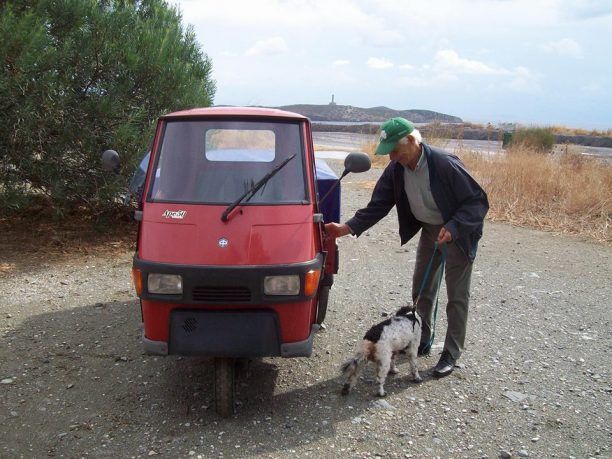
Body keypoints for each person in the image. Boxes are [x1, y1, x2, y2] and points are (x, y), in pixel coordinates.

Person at [325, 117, 489, 378]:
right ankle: (421, 340)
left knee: (457, 296)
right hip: (430, 229)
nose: (391, 156)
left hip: (458, 231)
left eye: (394, 150)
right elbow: (379, 204)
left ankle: (450, 353)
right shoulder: (396, 168)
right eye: (388, 151)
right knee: (422, 290)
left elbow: (477, 202)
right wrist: (347, 227)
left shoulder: (444, 164)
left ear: (412, 141)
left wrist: (455, 226)